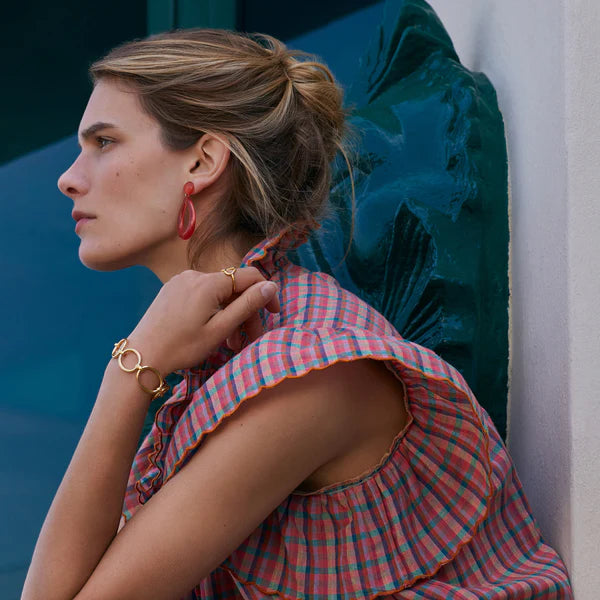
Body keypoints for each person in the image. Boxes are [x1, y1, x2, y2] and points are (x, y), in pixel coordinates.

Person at [22, 28, 572, 600]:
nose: (68, 178)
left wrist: (130, 370)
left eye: (104, 141)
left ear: (203, 161)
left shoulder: (308, 365)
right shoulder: (220, 363)